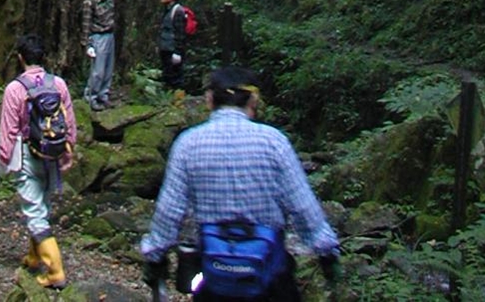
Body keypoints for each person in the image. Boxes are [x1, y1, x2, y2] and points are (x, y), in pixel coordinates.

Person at [138, 65, 341, 300]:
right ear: (253, 100)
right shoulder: (274, 142)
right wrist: (326, 253)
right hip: (270, 279)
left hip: (215, 277)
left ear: (209, 99)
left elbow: (169, 211)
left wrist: (155, 257)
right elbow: (302, 206)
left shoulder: (188, 144)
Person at [0, 33, 80, 288]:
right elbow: (69, 123)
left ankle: (55, 271)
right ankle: (34, 258)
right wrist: (69, 150)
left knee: (34, 212)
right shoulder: (58, 84)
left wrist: (3, 156)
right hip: (53, 154)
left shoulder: (15, 89)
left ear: (21, 58)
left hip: (28, 154)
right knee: (41, 206)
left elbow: (9, 128)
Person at [81, 0, 118, 108]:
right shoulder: (90, 1)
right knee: (98, 70)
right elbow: (86, 24)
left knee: (108, 68)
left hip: (109, 34)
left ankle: (104, 95)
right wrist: (88, 44)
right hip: (97, 37)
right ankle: (91, 97)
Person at [159, 0, 197, 92]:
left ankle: (177, 100)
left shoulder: (178, 11)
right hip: (166, 48)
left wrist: (178, 52)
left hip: (172, 50)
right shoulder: (167, 10)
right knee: (167, 75)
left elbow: (180, 33)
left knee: (175, 77)